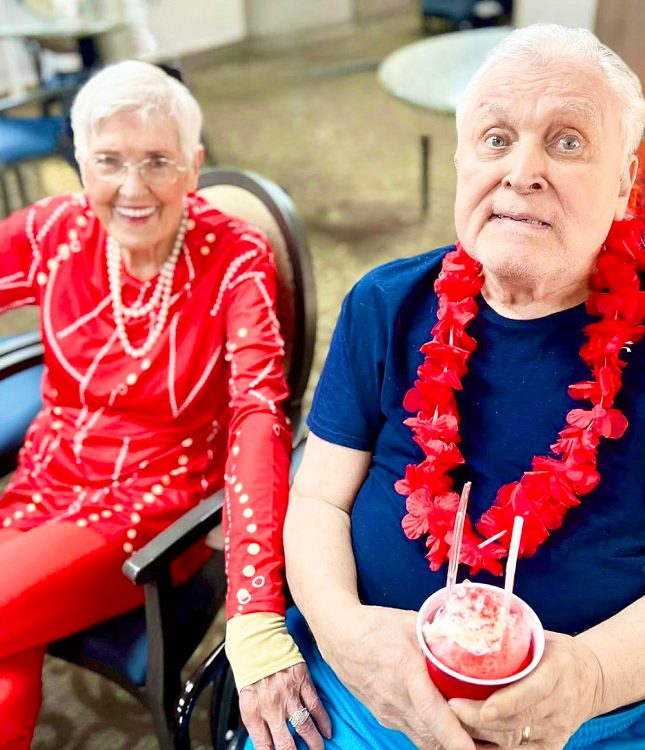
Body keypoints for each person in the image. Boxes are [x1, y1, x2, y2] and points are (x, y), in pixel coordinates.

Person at [281, 24, 645, 750]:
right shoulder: (384, 304)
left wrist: (593, 677)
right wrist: (346, 633)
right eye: (495, 137)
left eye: (567, 141)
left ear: (626, 181)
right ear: (460, 158)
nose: (521, 172)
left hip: (590, 730)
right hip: (357, 703)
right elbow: (316, 498)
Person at [0, 61, 329, 750]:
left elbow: (258, 416)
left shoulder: (233, 259)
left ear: (193, 165)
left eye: (157, 161)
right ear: (79, 161)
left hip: (151, 503)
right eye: (108, 161)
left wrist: (255, 605)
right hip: (46, 479)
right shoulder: (54, 231)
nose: (131, 187)